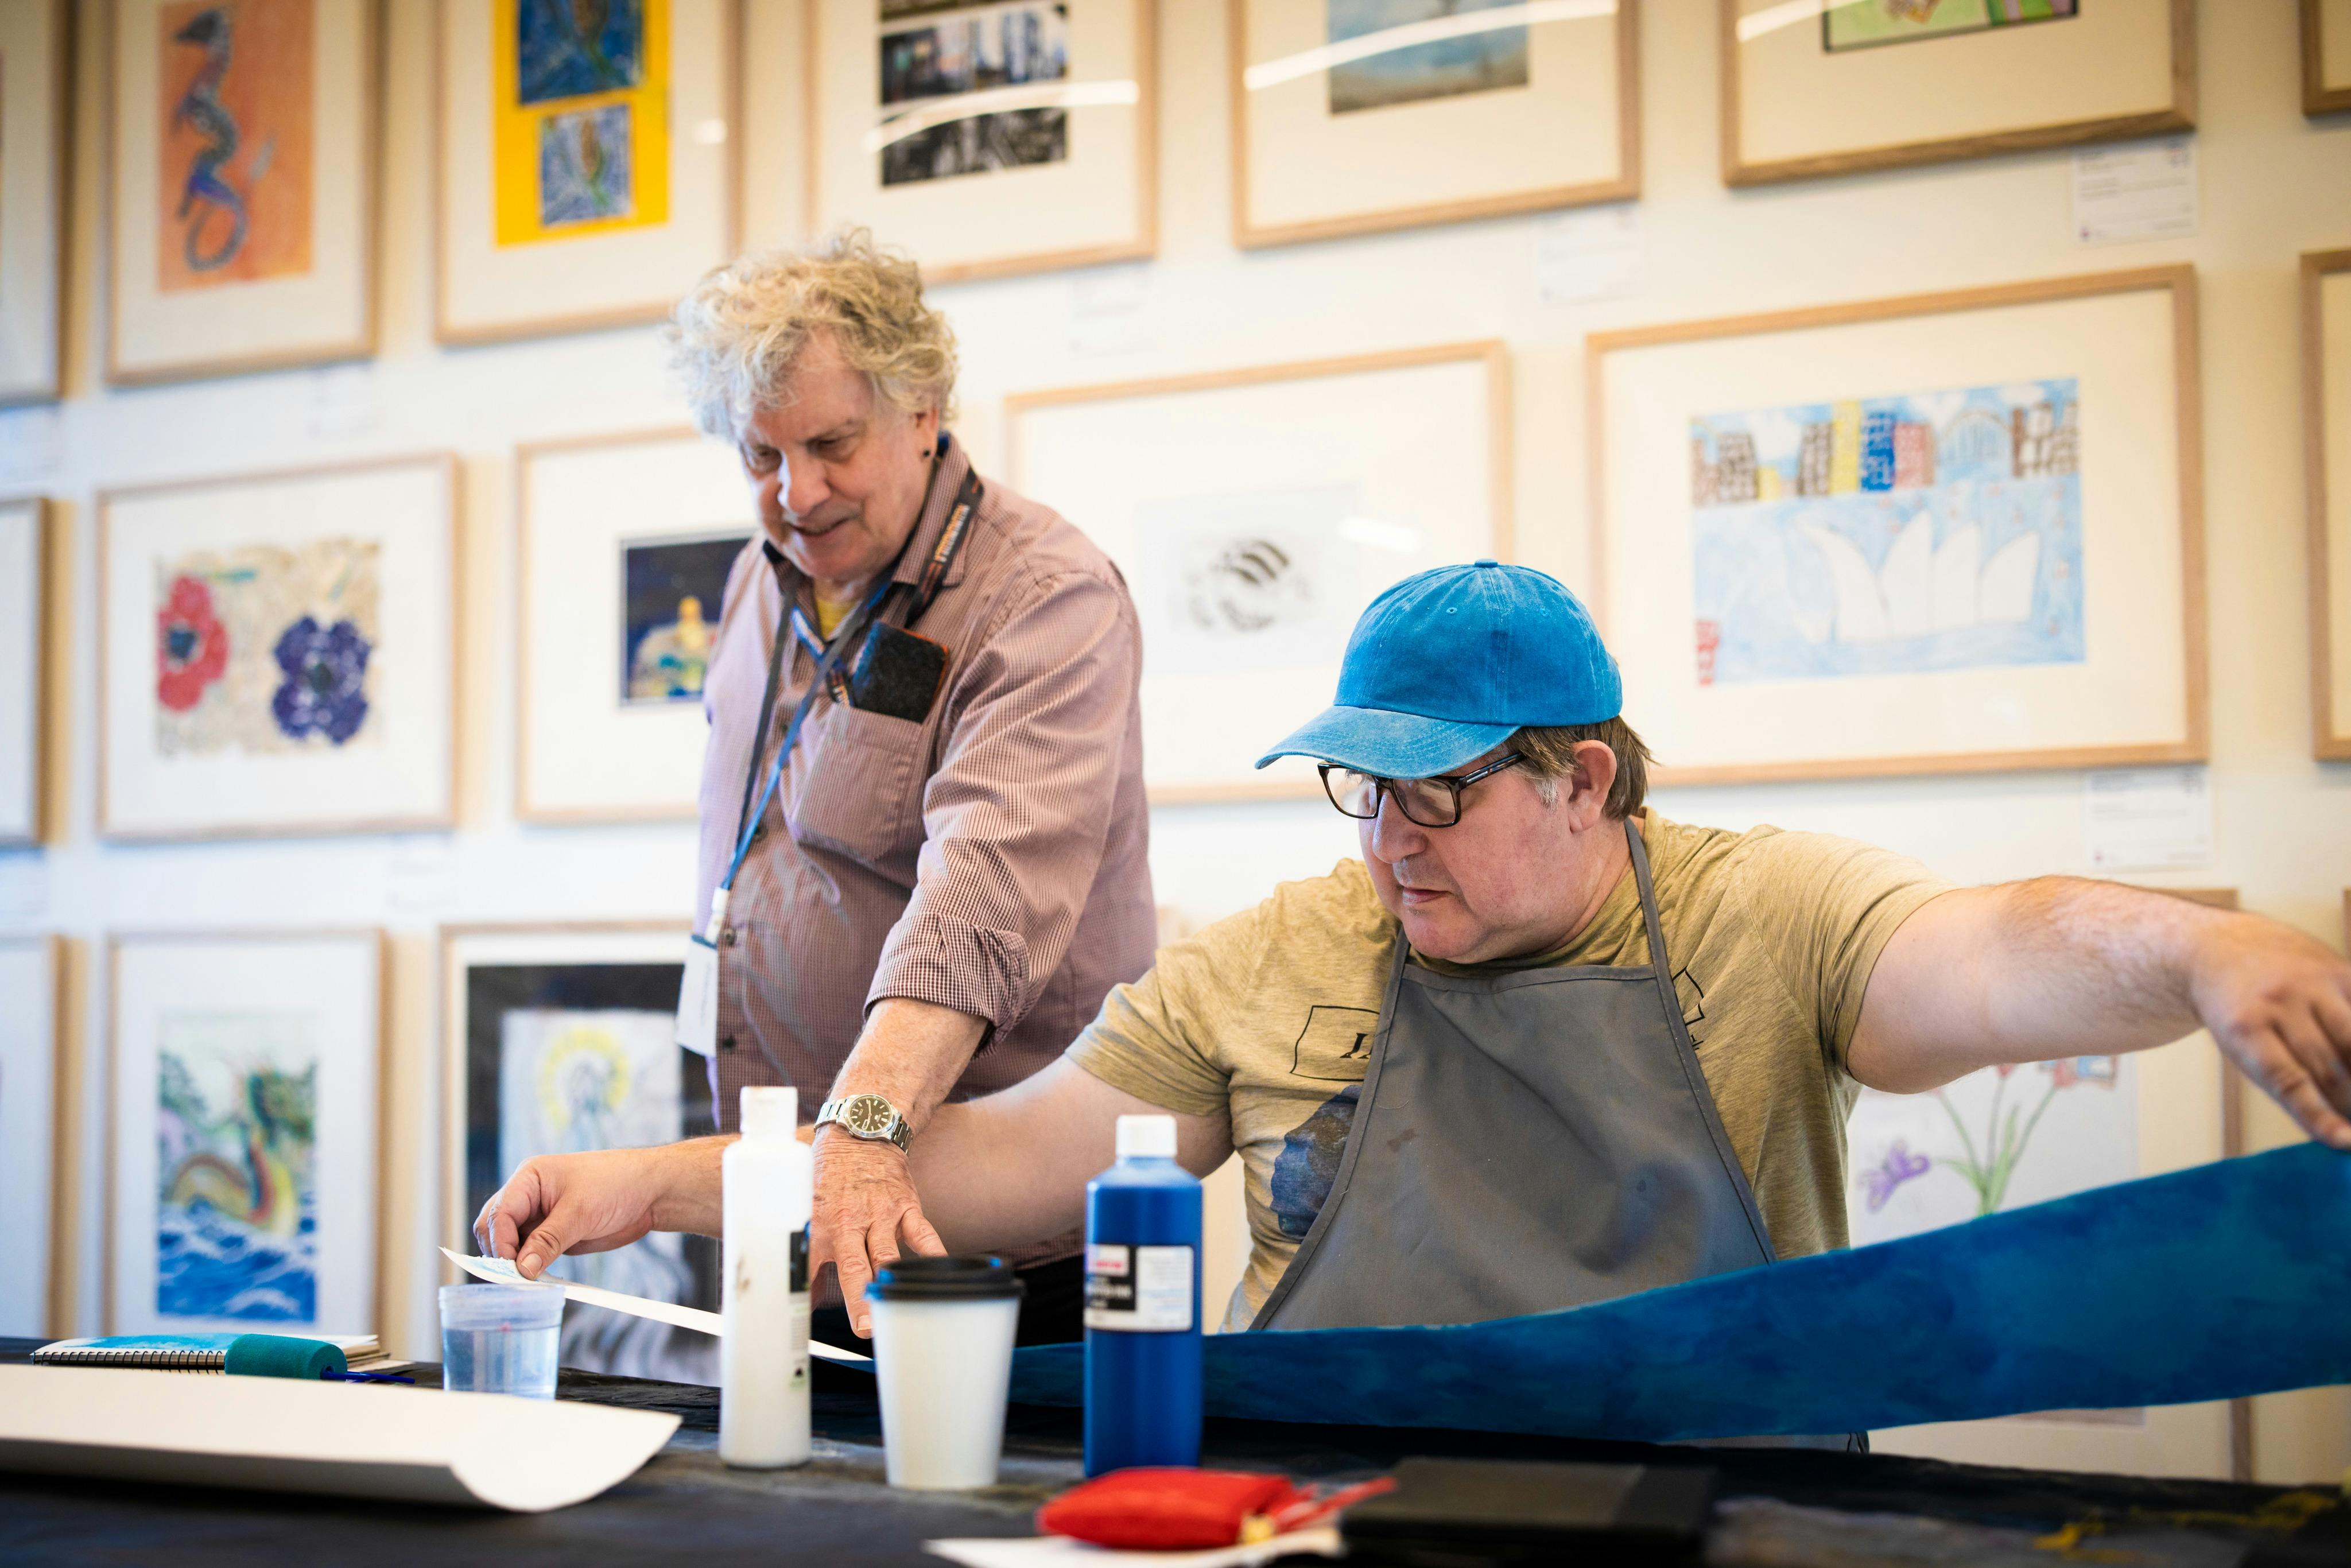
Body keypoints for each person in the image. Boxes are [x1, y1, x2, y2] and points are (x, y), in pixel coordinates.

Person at [479, 563, 2351, 1388]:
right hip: (1324, 1518)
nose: (1388, 839)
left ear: (1583, 780)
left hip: (1704, 1509)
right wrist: (649, 1183)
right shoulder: (1280, 954)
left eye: (1438, 793)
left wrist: (2202, 948)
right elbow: (981, 1163)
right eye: (1362, 788)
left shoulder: (1766, 916)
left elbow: (2000, 947)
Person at [612, 230, 1155, 1344]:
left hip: (989, 1231)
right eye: (760, 456)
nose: (796, 492)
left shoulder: (1044, 597)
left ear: (922, 411)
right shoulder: (757, 580)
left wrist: (860, 1131)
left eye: (831, 444)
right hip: (804, 1190)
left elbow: (981, 902)